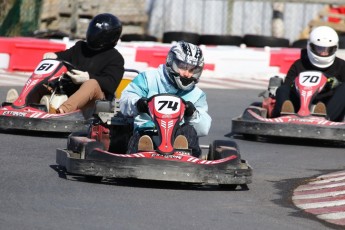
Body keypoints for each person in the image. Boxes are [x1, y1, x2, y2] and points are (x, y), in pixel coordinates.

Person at [119, 41, 212, 157]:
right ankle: (145, 151)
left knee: (188, 131)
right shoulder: (149, 78)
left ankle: (183, 152)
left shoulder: (196, 94)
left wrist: (192, 114)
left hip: (179, 135)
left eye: (192, 70)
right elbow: (125, 101)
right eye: (183, 67)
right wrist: (138, 104)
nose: (187, 74)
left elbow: (204, 129)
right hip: (148, 130)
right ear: (171, 61)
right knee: (143, 135)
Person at [42, 13, 125, 113]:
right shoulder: (80, 47)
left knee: (92, 83)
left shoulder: (116, 58)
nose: (94, 35)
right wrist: (53, 56)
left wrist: (88, 77)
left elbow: (111, 84)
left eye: (98, 33)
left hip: (101, 106)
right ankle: (24, 104)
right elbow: (63, 56)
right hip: (72, 93)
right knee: (47, 78)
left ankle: (61, 111)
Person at [271, 26, 345, 121]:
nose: (323, 53)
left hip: (328, 105)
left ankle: (324, 118)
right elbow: (287, 85)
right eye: (319, 49)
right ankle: (285, 115)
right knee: (283, 89)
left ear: (335, 48)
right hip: (298, 104)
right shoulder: (299, 65)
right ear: (310, 46)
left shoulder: (341, 66)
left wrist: (335, 83)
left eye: (327, 49)